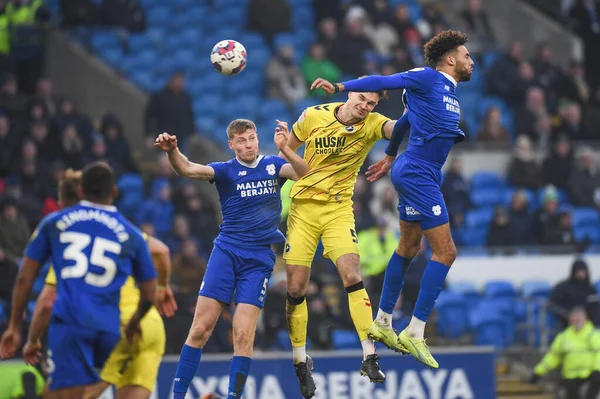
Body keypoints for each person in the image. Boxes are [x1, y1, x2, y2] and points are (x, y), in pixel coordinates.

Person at [311, 29, 474, 369]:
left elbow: (404, 122)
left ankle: (383, 321)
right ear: (450, 59)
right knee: (446, 252)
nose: (470, 60)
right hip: (417, 172)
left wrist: (388, 154)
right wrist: (341, 87)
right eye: (466, 55)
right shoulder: (426, 77)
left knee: (408, 248)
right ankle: (415, 330)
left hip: (420, 171)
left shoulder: (445, 93)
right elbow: (381, 78)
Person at [154, 119, 309, 399]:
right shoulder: (225, 171)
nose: (248, 145)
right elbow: (188, 168)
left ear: (257, 139)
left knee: (242, 334)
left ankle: (233, 397)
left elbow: (305, 173)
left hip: (259, 258)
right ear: (231, 145)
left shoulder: (273, 165)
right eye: (241, 141)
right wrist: (171, 152)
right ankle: (177, 395)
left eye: (251, 138)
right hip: (226, 252)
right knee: (200, 328)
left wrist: (286, 149)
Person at [280, 77, 403, 398]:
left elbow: (401, 128)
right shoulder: (312, 116)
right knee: (295, 288)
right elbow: (286, 156)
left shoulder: (374, 124)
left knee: (352, 276)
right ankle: (300, 361)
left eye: (371, 103)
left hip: (338, 210)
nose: (365, 107)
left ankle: (369, 354)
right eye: (362, 99)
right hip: (303, 210)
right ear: (350, 93)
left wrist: (420, 100)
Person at [0, 162, 158, 399]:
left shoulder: (55, 223)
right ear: (114, 192)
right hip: (109, 330)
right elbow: (149, 294)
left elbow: (25, 276)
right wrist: (135, 322)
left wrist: (15, 326)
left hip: (73, 324)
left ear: (81, 190)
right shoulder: (132, 234)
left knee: (58, 393)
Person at [526, 307, 600, 399]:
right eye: (574, 318)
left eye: (579, 318)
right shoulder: (563, 337)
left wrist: (597, 370)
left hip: (590, 373)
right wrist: (537, 373)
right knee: (569, 390)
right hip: (570, 375)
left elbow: (599, 354)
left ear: (586, 319)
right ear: (570, 321)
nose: (576, 321)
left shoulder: (593, 334)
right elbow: (553, 357)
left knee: (595, 383)